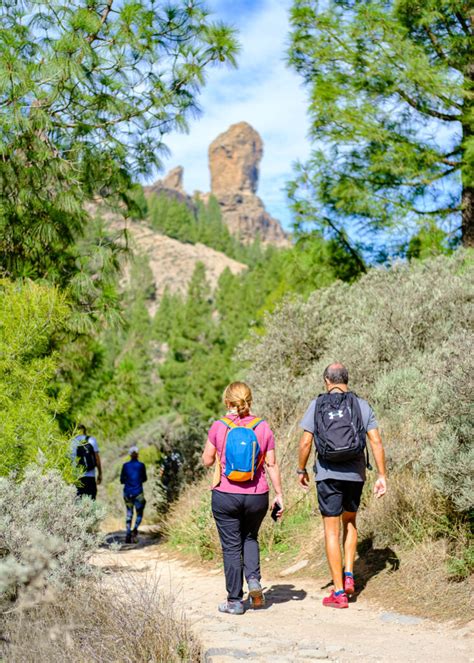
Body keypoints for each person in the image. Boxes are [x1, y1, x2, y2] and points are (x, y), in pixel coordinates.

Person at [297, 363, 387, 609]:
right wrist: (382, 475)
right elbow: (376, 441)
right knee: (350, 521)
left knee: (331, 531)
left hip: (327, 475)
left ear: (326, 380)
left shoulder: (317, 405)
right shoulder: (361, 405)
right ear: (346, 379)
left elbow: (305, 443)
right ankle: (349, 573)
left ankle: (338, 592)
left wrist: (300, 469)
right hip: (355, 475)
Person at [202, 381, 284, 615]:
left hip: (226, 494)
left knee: (231, 547)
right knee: (250, 537)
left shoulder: (219, 426)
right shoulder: (262, 427)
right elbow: (271, 464)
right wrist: (279, 494)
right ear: (250, 401)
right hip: (257, 495)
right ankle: (254, 581)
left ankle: (235, 601)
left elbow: (207, 460)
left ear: (227, 402)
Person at [120, 446, 147, 544]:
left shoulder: (125, 466)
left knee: (129, 513)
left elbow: (122, 480)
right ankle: (135, 529)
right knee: (139, 513)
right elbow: (144, 479)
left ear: (130, 455)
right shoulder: (141, 465)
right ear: (138, 454)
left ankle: (127, 533)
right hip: (138, 493)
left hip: (127, 493)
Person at [71, 424, 102, 500]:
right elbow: (97, 459)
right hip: (90, 476)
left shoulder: (71, 442)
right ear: (85, 431)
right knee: (91, 500)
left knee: (78, 501)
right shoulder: (91, 440)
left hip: (77, 477)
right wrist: (100, 474)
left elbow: (69, 461)